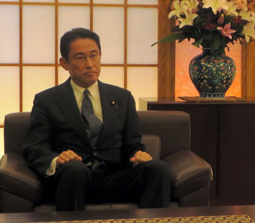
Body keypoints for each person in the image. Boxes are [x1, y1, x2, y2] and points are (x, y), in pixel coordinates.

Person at [23, 28, 171, 211]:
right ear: (64, 63)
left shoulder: (122, 97)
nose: (90, 64)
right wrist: (56, 160)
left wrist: (138, 155)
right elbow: (34, 148)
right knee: (74, 169)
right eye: (80, 58)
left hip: (114, 178)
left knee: (158, 168)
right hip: (72, 179)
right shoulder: (47, 100)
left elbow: (133, 145)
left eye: (94, 56)